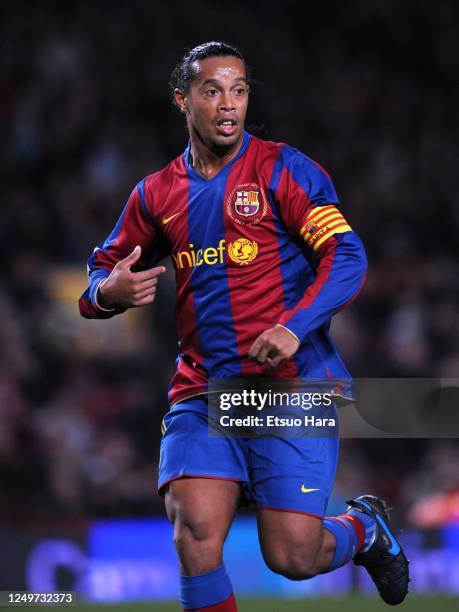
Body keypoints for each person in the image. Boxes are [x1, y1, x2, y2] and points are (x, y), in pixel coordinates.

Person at [79, 42, 409, 611]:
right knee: (195, 533)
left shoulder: (284, 168)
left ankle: (364, 529)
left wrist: (295, 325)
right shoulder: (156, 194)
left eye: (239, 89)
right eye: (212, 91)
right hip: (204, 388)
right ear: (183, 101)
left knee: (292, 557)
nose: (229, 104)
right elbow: (99, 275)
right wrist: (105, 294)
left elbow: (347, 255)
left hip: (290, 387)